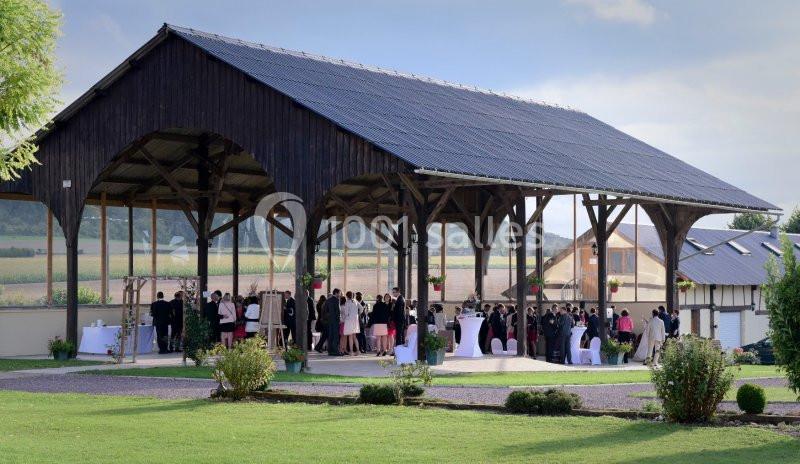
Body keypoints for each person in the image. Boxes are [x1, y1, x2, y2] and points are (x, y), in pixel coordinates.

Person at [324, 289, 342, 356]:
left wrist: (328, 318)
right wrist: (339, 320)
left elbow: (325, 311)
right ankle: (335, 351)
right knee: (335, 336)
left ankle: (330, 350)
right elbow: (337, 311)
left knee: (330, 336)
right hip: (335, 321)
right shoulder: (336, 300)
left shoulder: (328, 300)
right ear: (336, 293)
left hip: (330, 321)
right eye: (339, 293)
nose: (340, 295)